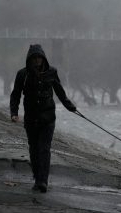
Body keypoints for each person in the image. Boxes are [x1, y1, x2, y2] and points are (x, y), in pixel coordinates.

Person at [9, 44, 77, 192]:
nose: (37, 60)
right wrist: (14, 112)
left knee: (44, 149)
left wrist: (70, 106)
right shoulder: (22, 74)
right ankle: (37, 178)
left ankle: (43, 182)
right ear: (30, 59)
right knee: (34, 150)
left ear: (43, 58)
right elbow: (15, 94)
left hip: (48, 118)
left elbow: (59, 91)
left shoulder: (52, 72)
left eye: (39, 57)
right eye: (34, 58)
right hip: (31, 119)